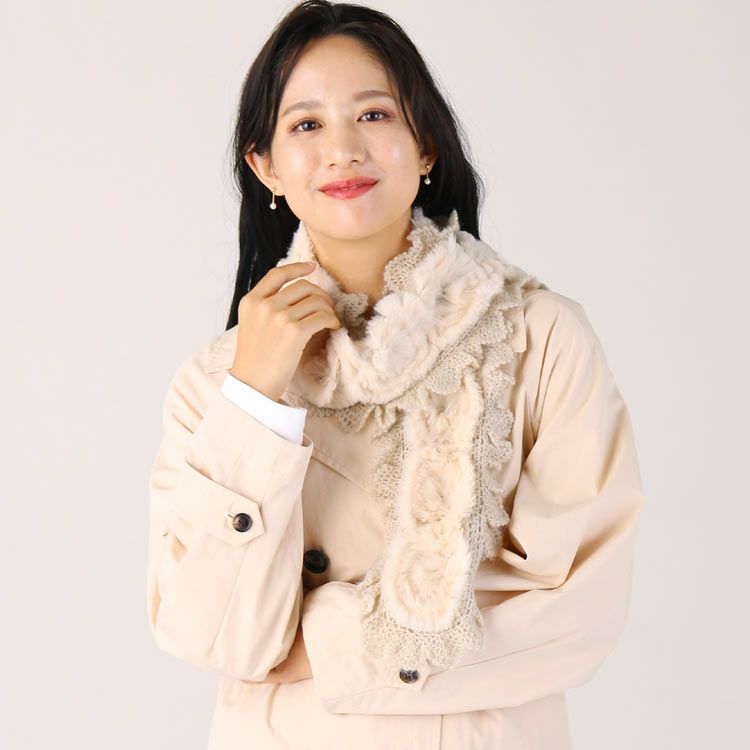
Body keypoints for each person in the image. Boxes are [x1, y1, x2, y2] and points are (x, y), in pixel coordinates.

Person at [146, 2, 646, 748]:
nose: (343, 150)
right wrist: (256, 403)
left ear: (426, 147)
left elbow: (575, 614)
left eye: (374, 115)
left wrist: (321, 646)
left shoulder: (538, 339)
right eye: (306, 125)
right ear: (265, 167)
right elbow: (212, 635)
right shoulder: (216, 383)